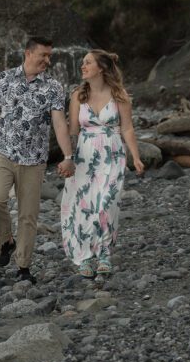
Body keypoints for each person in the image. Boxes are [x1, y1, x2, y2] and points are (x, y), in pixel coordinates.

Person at [0, 36, 75, 283]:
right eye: (43, 55)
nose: (47, 60)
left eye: (50, 56)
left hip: (34, 160)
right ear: (28, 53)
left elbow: (60, 124)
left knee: (28, 215)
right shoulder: (3, 79)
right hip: (3, 152)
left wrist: (68, 156)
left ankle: (23, 267)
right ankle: (6, 240)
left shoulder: (53, 87)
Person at [60, 49, 145, 278]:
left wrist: (136, 157)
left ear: (101, 68)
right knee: (84, 206)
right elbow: (73, 131)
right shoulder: (78, 95)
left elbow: (127, 128)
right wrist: (68, 158)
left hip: (112, 154)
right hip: (84, 156)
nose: (83, 66)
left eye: (88, 63)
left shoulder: (119, 94)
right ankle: (86, 256)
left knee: (106, 203)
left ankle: (104, 253)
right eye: (83, 63)